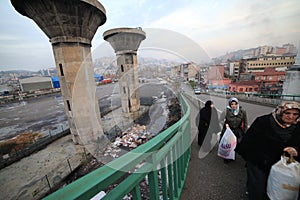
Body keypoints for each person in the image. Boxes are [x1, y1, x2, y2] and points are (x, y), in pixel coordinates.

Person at [236, 101, 300, 200]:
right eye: (287, 113)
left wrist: (296, 150)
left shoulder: (298, 127)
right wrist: (257, 158)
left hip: (284, 167)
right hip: (259, 164)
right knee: (258, 190)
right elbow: (247, 143)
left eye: (295, 114)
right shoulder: (263, 122)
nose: (291, 117)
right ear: (280, 111)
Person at [220, 97, 248, 162]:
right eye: (232, 104)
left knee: (235, 144)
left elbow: (245, 123)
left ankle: (232, 156)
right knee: (228, 145)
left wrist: (245, 132)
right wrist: (225, 124)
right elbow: (221, 120)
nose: (234, 106)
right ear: (230, 105)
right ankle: (227, 157)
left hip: (237, 131)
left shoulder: (242, 111)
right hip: (228, 130)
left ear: (237, 104)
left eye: (235, 104)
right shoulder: (226, 111)